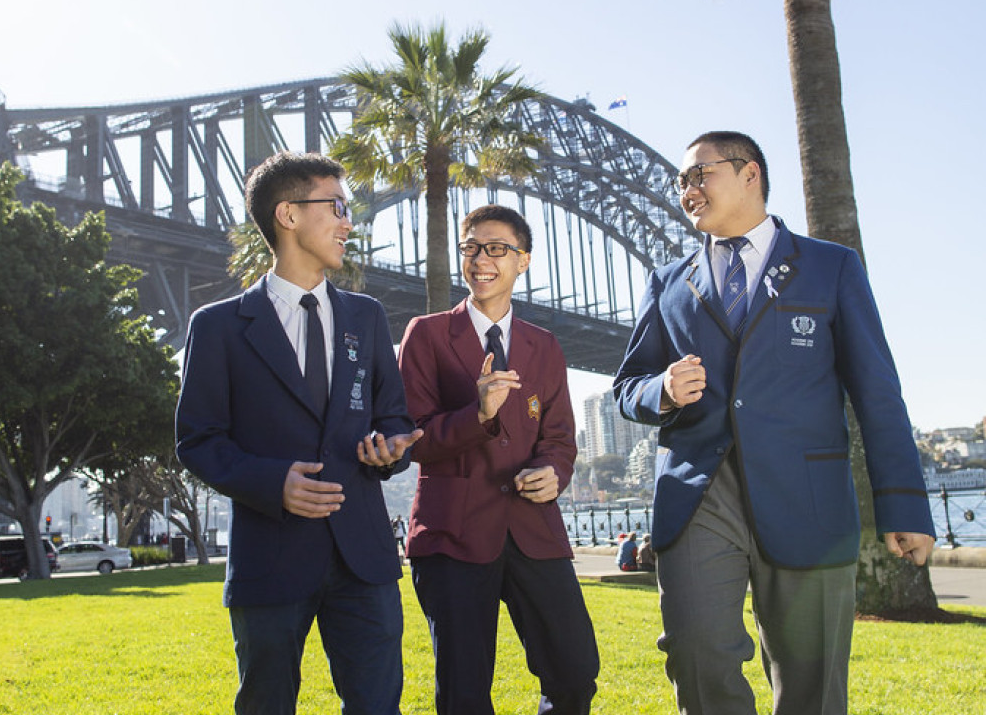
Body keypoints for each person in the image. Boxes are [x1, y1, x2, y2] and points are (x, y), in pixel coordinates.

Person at [614, 131, 935, 715]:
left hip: (806, 497)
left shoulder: (831, 266)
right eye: (681, 181)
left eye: (699, 174)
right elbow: (627, 387)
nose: (687, 190)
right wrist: (660, 390)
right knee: (696, 656)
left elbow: (878, 393)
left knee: (812, 686)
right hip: (700, 495)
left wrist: (906, 504)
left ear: (750, 174)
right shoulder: (666, 283)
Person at [175, 151, 423, 715]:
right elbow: (198, 439)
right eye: (336, 206)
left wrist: (389, 451)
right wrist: (272, 482)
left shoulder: (367, 316)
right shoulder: (216, 327)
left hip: (365, 560)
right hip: (271, 558)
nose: (348, 222)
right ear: (288, 214)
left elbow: (394, 420)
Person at [398, 204, 600, 715]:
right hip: (454, 535)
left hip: (534, 530)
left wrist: (554, 472)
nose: (480, 259)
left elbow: (559, 437)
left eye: (496, 249)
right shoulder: (426, 333)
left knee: (575, 672)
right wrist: (478, 412)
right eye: (471, 248)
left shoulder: (546, 345)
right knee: (464, 693)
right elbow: (413, 439)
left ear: (522, 260)